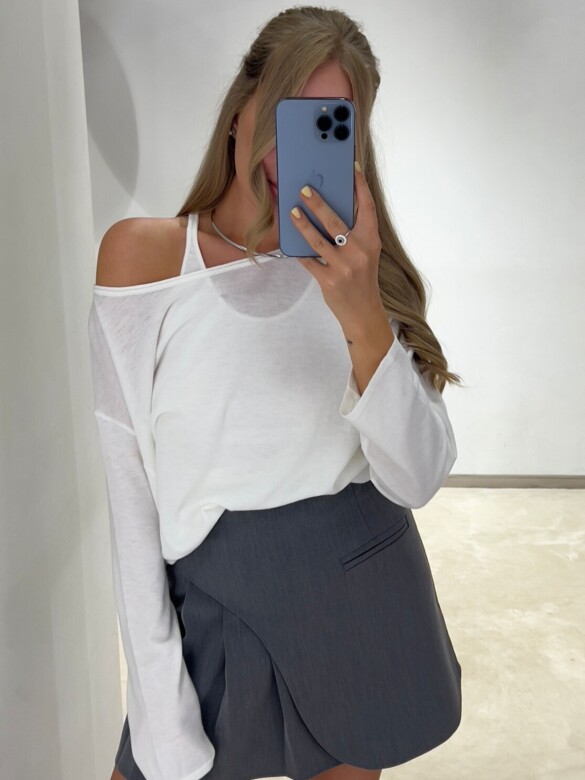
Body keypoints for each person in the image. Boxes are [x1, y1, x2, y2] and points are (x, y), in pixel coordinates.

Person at [89, 6, 464, 780]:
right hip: (209, 601)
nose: (293, 149)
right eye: (285, 112)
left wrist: (361, 314)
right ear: (239, 110)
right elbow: (130, 498)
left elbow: (418, 478)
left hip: (358, 601)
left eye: (328, 123)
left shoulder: (366, 277)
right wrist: (158, 710)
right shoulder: (144, 259)